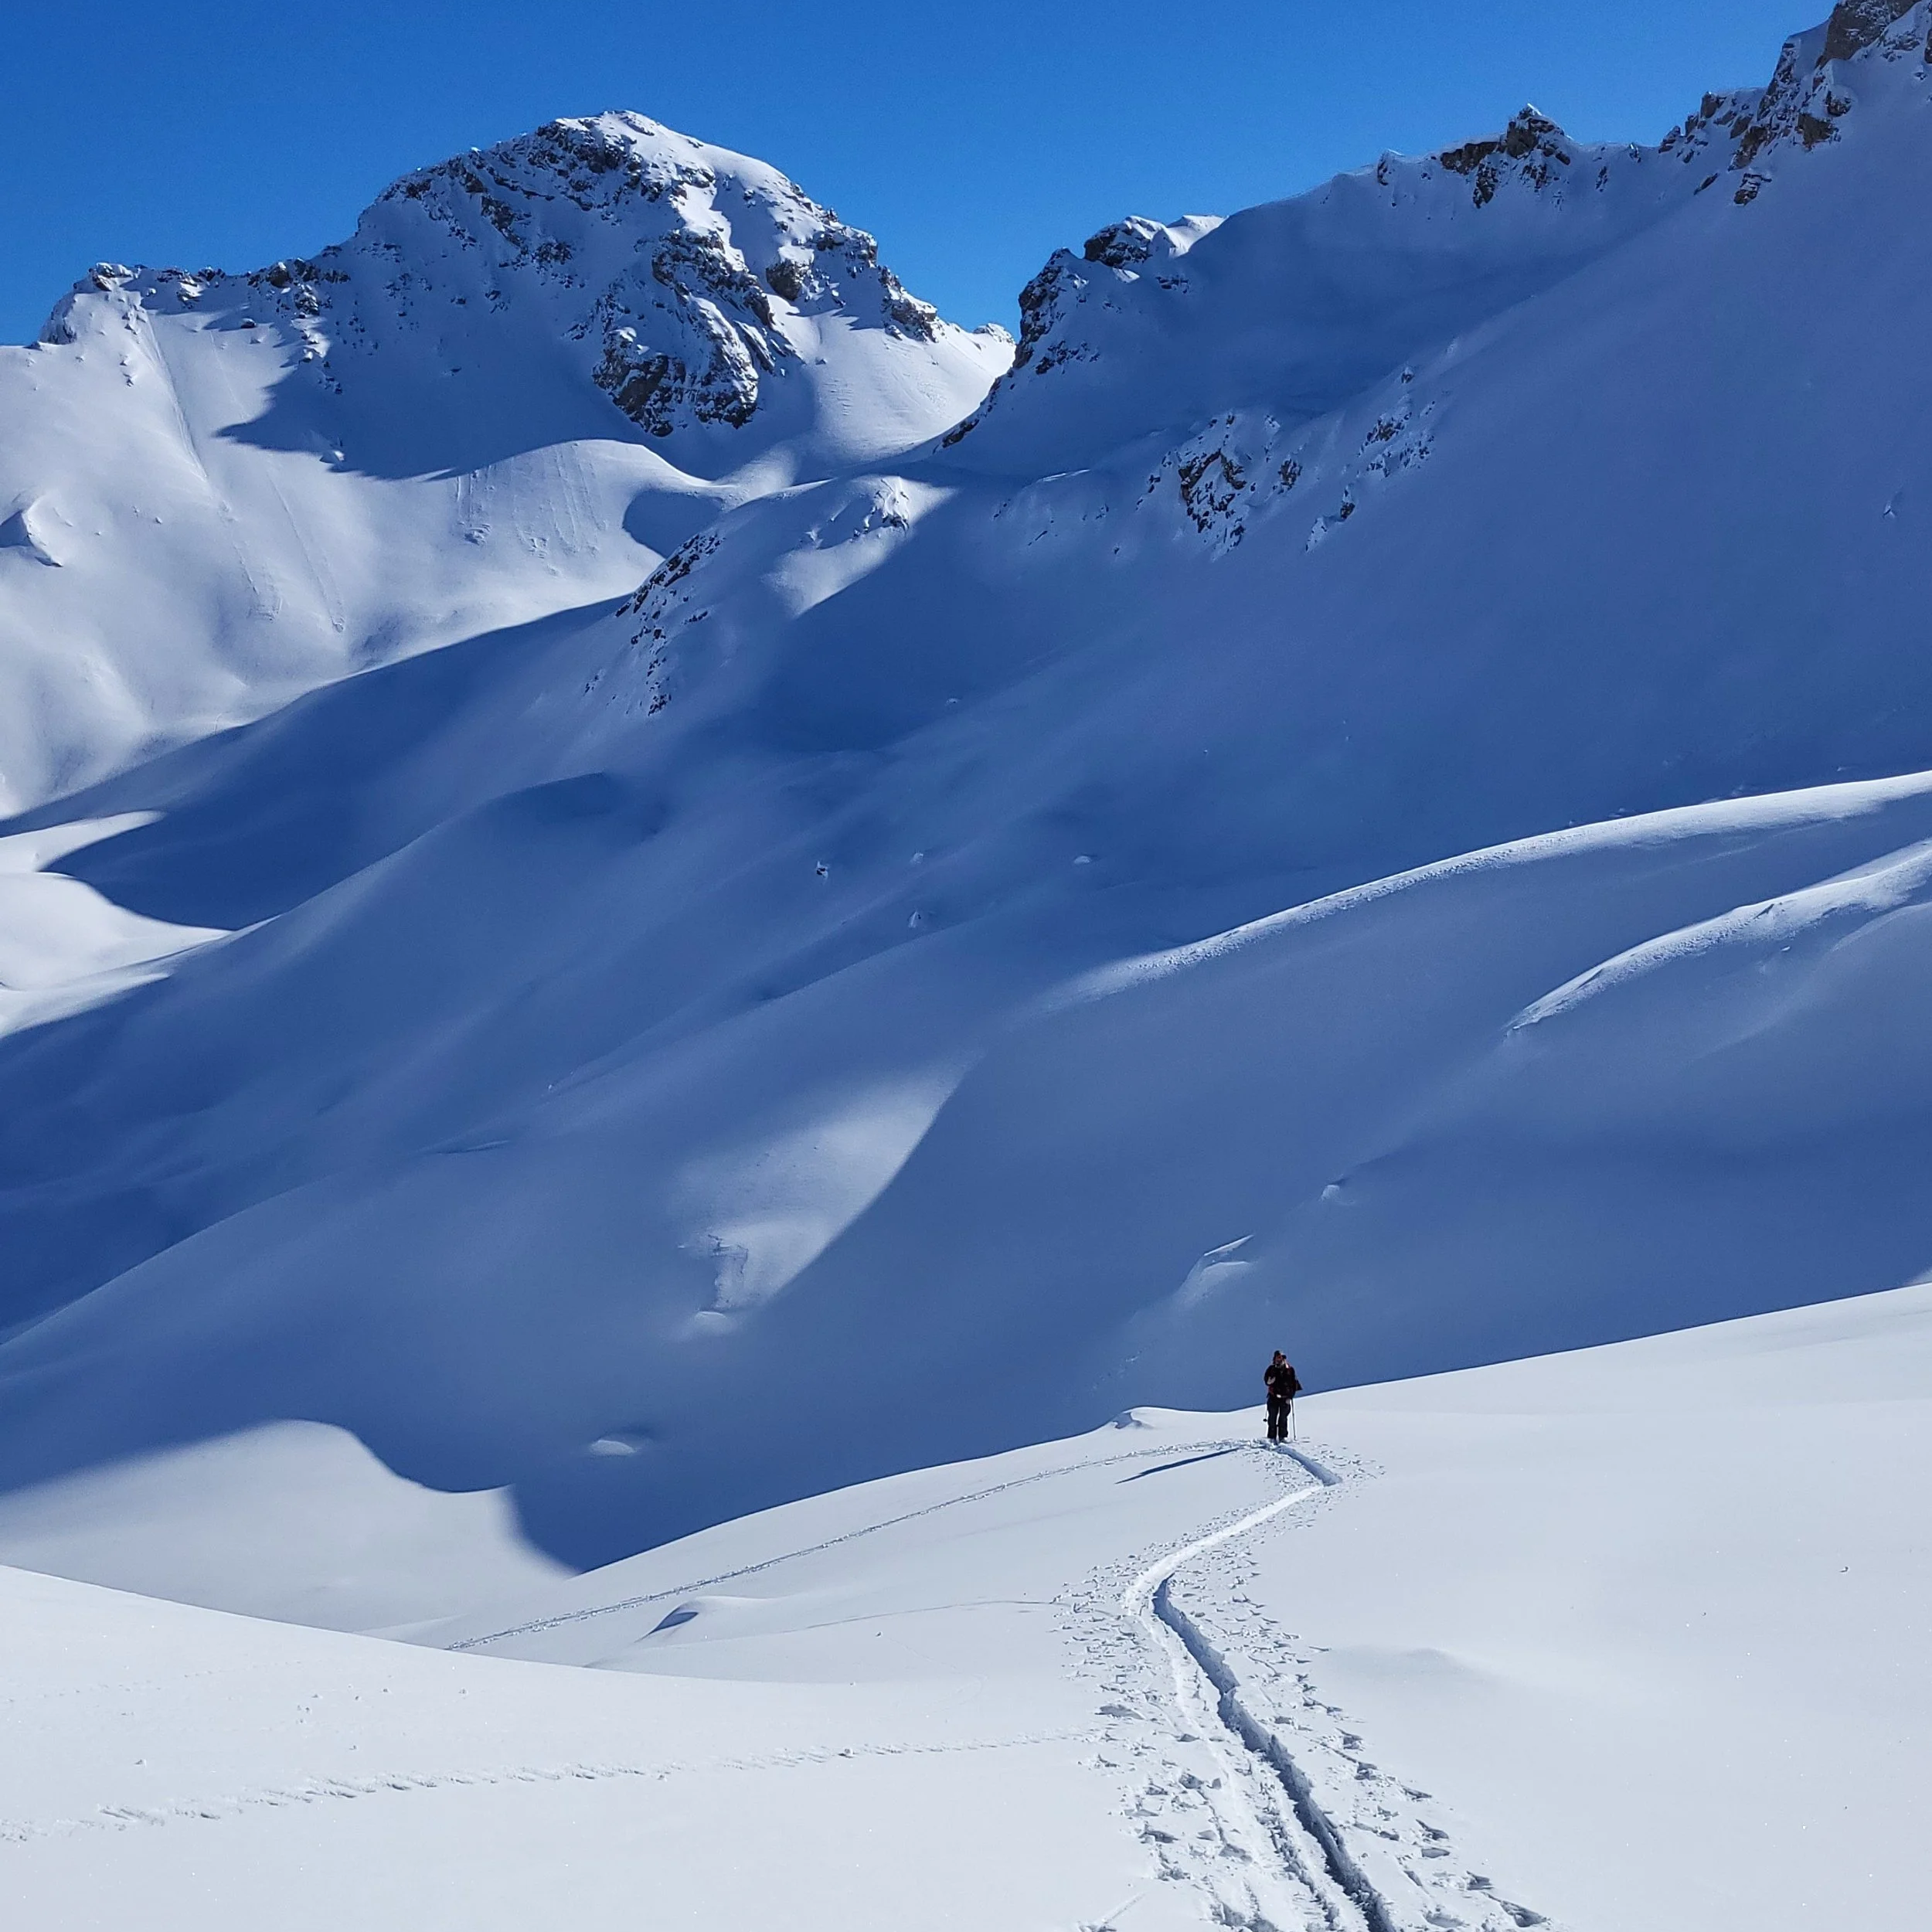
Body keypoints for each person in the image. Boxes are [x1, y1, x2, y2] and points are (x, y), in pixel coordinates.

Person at [1264, 1351, 1302, 1443]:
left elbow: (1294, 1385)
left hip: (1285, 1398)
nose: (1279, 1360)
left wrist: (1290, 1397)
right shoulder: (1271, 1369)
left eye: (1280, 1358)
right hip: (1273, 1397)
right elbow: (1266, 1380)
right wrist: (1269, 1381)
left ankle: (1283, 1437)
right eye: (1277, 1358)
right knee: (1272, 1417)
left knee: (1283, 1418)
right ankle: (1272, 1437)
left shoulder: (1290, 1370)